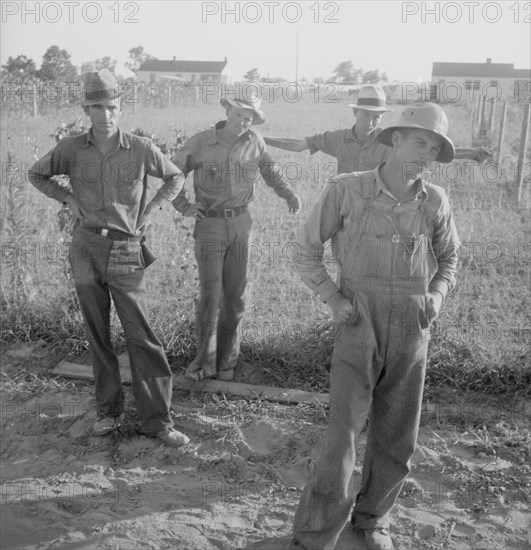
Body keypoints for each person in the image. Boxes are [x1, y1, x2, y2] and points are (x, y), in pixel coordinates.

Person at [291, 102, 461, 550]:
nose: (425, 153)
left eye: (435, 147)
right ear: (395, 138)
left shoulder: (435, 201)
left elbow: (450, 260)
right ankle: (315, 532)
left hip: (413, 326)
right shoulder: (348, 190)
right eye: (420, 141)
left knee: (397, 432)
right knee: (342, 433)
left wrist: (437, 295)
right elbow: (306, 248)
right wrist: (333, 298)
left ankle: (372, 519)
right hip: (358, 321)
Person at [28, 69, 189, 448]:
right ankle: (108, 412)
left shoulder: (140, 148)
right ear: (86, 109)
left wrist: (149, 212)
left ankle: (157, 421)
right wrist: (67, 199)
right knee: (97, 334)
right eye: (97, 107)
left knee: (141, 335)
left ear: (121, 107)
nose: (105, 115)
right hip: (84, 248)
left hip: (125, 248)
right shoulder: (71, 149)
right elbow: (36, 174)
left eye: (112, 107)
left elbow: (175, 177)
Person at [171, 93, 302, 382]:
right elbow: (173, 173)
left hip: (242, 224)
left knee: (236, 296)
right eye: (239, 114)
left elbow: (271, 171)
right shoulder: (202, 141)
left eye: (249, 117)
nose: (243, 121)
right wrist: (184, 206)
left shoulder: (255, 141)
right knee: (210, 294)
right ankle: (204, 362)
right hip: (210, 226)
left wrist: (289, 195)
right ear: (227, 110)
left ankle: (227, 362)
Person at [264, 84, 491, 175]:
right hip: (345, 205)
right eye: (366, 115)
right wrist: (260, 138)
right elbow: (298, 145)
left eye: (376, 117)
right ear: (355, 113)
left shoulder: (393, 141)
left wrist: (469, 154)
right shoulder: (336, 139)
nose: (371, 122)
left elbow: (431, 150)